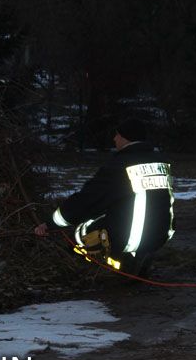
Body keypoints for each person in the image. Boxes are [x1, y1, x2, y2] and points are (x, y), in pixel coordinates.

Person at [34, 118, 175, 276]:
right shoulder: (161, 162)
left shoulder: (119, 165)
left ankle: (123, 262)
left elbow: (87, 200)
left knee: (81, 233)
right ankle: (139, 255)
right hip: (160, 234)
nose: (114, 139)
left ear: (125, 137)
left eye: (117, 135)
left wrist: (51, 223)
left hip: (131, 238)